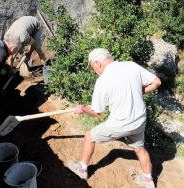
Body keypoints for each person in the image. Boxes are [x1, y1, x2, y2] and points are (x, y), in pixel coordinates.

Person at [67, 48, 161, 188]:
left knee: (89, 137)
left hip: (121, 124)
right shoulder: (131, 65)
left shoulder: (102, 80)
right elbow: (157, 82)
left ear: (98, 63)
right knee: (140, 149)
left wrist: (82, 109)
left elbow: (98, 114)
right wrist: (139, 91)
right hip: (139, 120)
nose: (94, 70)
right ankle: (148, 180)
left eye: (92, 67)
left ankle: (82, 169)